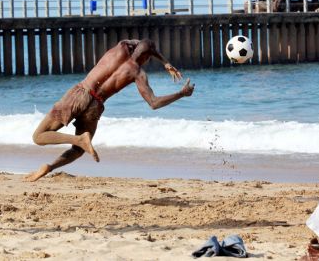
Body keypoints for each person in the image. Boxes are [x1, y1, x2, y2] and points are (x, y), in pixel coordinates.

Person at [25, 39, 194, 182]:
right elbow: (154, 103)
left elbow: (143, 44)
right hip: (95, 105)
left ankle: (74, 144)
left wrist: (163, 61)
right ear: (147, 57)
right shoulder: (138, 73)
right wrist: (181, 93)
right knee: (78, 150)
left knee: (38, 136)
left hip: (80, 93)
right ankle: (53, 164)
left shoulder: (121, 46)